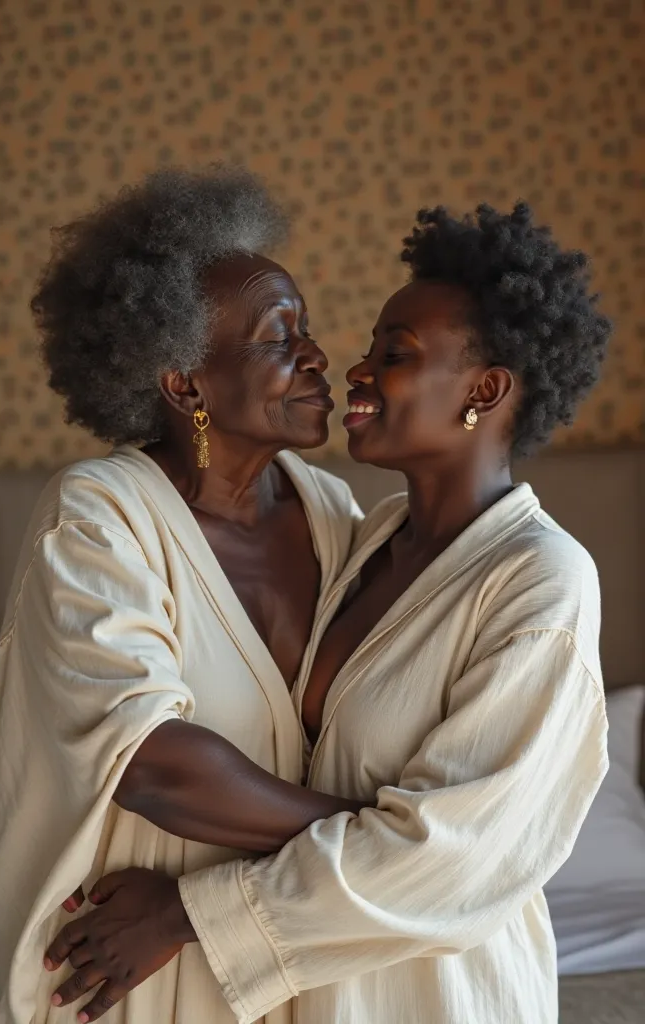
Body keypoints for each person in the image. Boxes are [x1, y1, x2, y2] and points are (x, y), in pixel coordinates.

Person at [42, 201, 612, 1024]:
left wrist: (184, 912)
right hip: (315, 993)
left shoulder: (540, 581)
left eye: (397, 355)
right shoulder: (365, 540)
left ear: (485, 390)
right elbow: (157, 756)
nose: (351, 366)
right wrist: (382, 831)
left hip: (438, 991)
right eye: (371, 347)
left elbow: (460, 859)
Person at [0, 166, 369, 1024]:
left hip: (287, 964)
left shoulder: (335, 515)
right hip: (123, 976)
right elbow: (158, 768)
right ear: (183, 383)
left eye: (307, 329)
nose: (317, 356)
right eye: (278, 335)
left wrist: (213, 910)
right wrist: (378, 844)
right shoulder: (98, 519)